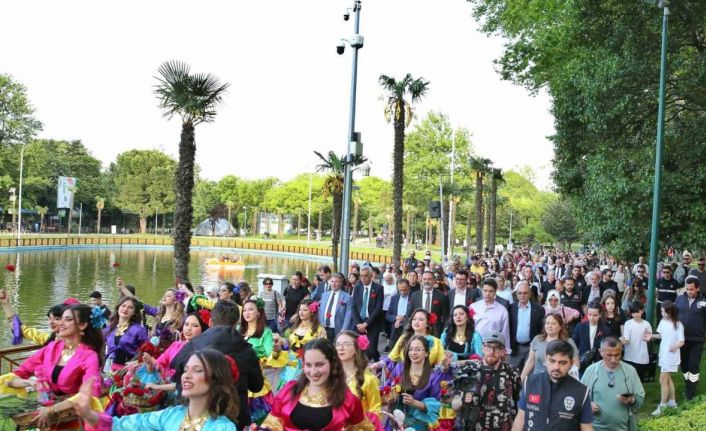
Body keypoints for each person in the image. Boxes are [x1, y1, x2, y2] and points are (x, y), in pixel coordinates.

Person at [75, 349, 239, 430]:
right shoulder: (172, 415)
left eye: (197, 370)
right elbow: (125, 425)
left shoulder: (223, 427)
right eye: (186, 370)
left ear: (215, 379)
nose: (186, 376)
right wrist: (89, 414)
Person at [0, 304, 104, 428]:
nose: (61, 323)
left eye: (68, 319)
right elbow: (13, 380)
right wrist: (30, 382)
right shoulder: (52, 347)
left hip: (71, 419)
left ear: (82, 325)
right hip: (43, 417)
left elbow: (90, 393)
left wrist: (52, 409)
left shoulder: (89, 356)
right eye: (61, 318)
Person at [172, 299, 264, 427]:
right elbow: (257, 386)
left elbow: (176, 371)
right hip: (234, 417)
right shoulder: (246, 350)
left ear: (210, 321)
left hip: (195, 416)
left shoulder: (193, 344)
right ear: (236, 324)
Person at [260, 338, 374, 431]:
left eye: (319, 365)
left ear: (332, 363)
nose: (313, 372)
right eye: (308, 365)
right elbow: (273, 423)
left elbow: (363, 428)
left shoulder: (348, 400)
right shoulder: (289, 390)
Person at [513, 339, 593, 431]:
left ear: (571, 363)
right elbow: (520, 418)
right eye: (552, 361)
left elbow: (586, 427)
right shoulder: (530, 382)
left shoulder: (581, 392)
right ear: (545, 359)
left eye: (563, 363)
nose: (556, 367)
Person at [453, 331, 521, 431]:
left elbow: (519, 403)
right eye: (488, 346)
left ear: (503, 351)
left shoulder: (512, 372)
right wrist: (462, 399)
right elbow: (454, 405)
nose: (492, 351)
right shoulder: (468, 369)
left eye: (497, 348)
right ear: (483, 348)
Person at [581, 337, 645, 431]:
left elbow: (640, 398)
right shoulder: (591, 371)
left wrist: (632, 400)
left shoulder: (630, 371)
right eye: (609, 355)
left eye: (617, 355)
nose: (613, 360)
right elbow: (580, 399)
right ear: (601, 352)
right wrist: (588, 406)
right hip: (595, 428)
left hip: (623, 428)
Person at [386, 335, 446, 431]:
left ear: (426, 353)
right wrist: (390, 396)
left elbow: (436, 408)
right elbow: (387, 390)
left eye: (418, 349)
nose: (413, 353)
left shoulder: (433, 377)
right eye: (410, 349)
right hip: (395, 422)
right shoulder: (399, 368)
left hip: (419, 425)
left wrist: (415, 403)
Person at [142, 312, 210, 392]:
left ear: (203, 329)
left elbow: (184, 384)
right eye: (186, 324)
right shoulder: (176, 345)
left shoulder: (202, 352)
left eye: (195, 325)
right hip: (164, 387)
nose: (188, 328)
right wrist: (150, 363)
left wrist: (158, 387)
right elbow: (157, 367)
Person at [269, 299, 327, 390]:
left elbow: (323, 350)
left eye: (305, 310)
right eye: (300, 310)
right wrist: (281, 340)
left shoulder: (320, 330)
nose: (301, 312)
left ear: (312, 312)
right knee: (288, 391)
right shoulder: (295, 327)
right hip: (291, 364)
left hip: (308, 365)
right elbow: (287, 345)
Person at [335, 331, 383, 430]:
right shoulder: (330, 377)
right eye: (338, 344)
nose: (340, 348)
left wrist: (357, 424)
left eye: (346, 344)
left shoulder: (369, 380)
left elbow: (376, 413)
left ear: (356, 349)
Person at [645, 300, 684, 415]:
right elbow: (661, 335)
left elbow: (681, 341)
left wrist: (675, 346)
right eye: (661, 311)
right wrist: (652, 336)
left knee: (662, 379)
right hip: (663, 354)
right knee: (668, 379)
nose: (662, 314)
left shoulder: (678, 324)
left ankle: (662, 406)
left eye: (664, 312)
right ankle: (672, 403)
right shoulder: (662, 321)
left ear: (670, 311)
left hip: (671, 356)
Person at [240, 298, 275, 424]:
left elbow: (269, 354)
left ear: (258, 313)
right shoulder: (239, 330)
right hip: (239, 379)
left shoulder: (266, 332)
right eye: (244, 310)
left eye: (250, 309)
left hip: (255, 378)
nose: (247, 312)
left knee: (258, 419)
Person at [674, 277, 706, 400]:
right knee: (684, 365)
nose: (689, 291)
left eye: (691, 289)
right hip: (682, 339)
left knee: (693, 365)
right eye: (687, 289)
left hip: (697, 340)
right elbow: (674, 315)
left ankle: (690, 392)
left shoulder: (703, 301)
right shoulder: (680, 299)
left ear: (698, 288)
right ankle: (688, 383)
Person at [521, 313, 579, 379]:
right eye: (547, 323)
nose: (549, 326)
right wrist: (521, 378)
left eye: (553, 323)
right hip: (539, 379)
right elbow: (530, 361)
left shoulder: (568, 342)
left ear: (560, 326)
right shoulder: (537, 339)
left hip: (561, 380)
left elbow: (575, 364)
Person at [0, 290, 67, 345]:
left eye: (57, 319)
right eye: (50, 318)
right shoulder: (49, 339)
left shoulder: (72, 345)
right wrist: (6, 304)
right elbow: (21, 329)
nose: (51, 322)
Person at [104, 296, 148, 371]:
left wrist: (137, 362)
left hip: (130, 369)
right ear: (118, 307)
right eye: (123, 306)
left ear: (134, 312)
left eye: (130, 307)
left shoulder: (139, 330)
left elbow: (147, 352)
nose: (125, 309)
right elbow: (98, 345)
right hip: (110, 367)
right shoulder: (109, 328)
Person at [350, 266, 385, 361]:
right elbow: (353, 306)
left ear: (371, 275)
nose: (363, 278)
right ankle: (362, 366)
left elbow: (378, 308)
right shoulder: (357, 287)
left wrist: (366, 324)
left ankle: (378, 362)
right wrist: (358, 323)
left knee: (371, 350)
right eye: (361, 276)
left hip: (372, 322)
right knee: (359, 348)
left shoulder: (378, 288)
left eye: (365, 276)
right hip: (359, 323)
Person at [509, 281, 545, 369]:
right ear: (516, 294)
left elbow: (541, 330)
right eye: (520, 293)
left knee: (529, 373)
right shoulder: (511, 308)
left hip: (531, 348)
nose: (522, 295)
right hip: (515, 348)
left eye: (525, 293)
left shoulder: (539, 309)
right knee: (513, 372)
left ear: (530, 294)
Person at [470, 278, 511, 353]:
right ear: (481, 290)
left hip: (493, 349)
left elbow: (505, 333)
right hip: (475, 348)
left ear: (495, 292)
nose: (487, 294)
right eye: (485, 290)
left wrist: (506, 351)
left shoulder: (502, 310)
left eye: (491, 291)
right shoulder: (473, 307)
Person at [572, 300, 612, 373]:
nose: (592, 318)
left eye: (595, 315)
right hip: (582, 365)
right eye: (589, 314)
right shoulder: (580, 327)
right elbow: (573, 345)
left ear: (600, 314)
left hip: (599, 365)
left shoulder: (605, 330)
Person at [407, 270, 448, 337]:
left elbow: (446, 316)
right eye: (424, 279)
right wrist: (407, 331)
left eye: (429, 279)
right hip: (418, 331)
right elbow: (409, 314)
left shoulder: (441, 296)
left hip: (436, 332)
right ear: (421, 280)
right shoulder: (414, 296)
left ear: (434, 280)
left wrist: (444, 332)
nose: (426, 281)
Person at [620, 301, 652, 379]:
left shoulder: (646, 324)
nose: (635, 314)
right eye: (633, 312)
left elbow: (650, 337)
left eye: (637, 312)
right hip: (629, 357)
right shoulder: (628, 323)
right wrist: (621, 340)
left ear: (642, 311)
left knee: (639, 378)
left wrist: (649, 338)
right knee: (628, 378)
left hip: (642, 357)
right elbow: (627, 340)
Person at [318, 272, 352, 342]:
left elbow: (348, 316)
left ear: (341, 283)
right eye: (332, 281)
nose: (334, 284)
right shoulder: (324, 295)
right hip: (324, 329)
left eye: (336, 282)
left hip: (338, 329)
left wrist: (344, 330)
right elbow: (321, 312)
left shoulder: (347, 297)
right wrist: (320, 326)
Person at [385, 278, 411, 349]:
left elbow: (414, 313)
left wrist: (403, 317)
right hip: (396, 328)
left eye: (404, 290)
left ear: (409, 287)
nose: (402, 292)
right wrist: (396, 317)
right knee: (393, 348)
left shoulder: (413, 297)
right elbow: (387, 315)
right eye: (400, 290)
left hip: (408, 328)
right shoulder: (394, 298)